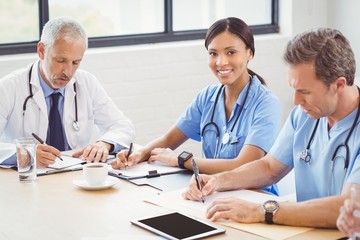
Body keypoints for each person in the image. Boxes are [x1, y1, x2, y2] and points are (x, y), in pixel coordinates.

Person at [182, 28, 360, 228]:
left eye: (305, 92)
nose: (296, 101)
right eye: (294, 90)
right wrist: (217, 181)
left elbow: (351, 206)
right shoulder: (304, 115)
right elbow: (269, 168)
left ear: (339, 84)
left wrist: (262, 210)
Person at [111, 17, 281, 194]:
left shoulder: (266, 104)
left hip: (255, 197)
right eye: (213, 53)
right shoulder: (207, 97)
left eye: (231, 52)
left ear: (249, 53)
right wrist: (139, 154)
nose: (221, 62)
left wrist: (182, 160)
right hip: (212, 192)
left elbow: (243, 165)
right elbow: (168, 140)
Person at [0, 17, 135, 167]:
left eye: (76, 62)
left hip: (74, 175)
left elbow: (123, 126)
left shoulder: (87, 83)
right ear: (41, 51)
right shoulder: (9, 87)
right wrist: (25, 154)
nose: (68, 72)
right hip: (28, 177)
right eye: (61, 60)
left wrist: (104, 144)